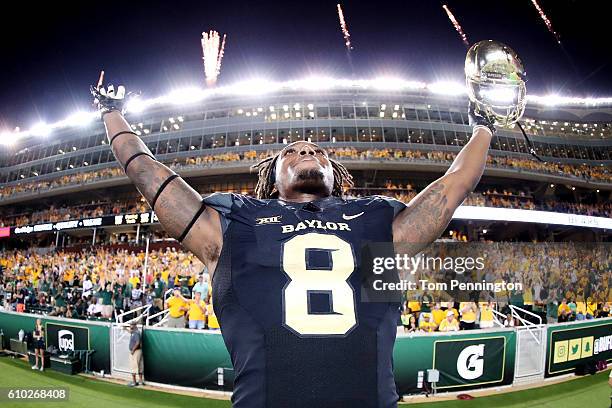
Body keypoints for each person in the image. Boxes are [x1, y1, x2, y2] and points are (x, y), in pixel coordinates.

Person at [93, 77, 497, 407]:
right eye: (291, 152)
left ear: (336, 174)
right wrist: (112, 115)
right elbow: (150, 176)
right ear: (271, 178)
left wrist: (484, 125)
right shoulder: (235, 221)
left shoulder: (376, 220)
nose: (306, 150)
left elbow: (454, 186)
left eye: (318, 151)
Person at [127, 321, 144, 387]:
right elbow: (131, 332)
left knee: (134, 366)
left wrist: (133, 350)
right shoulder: (135, 332)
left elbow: (137, 342)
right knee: (139, 366)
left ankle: (134, 382)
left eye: (131, 325)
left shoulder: (136, 333)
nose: (130, 326)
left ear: (134, 325)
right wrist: (125, 329)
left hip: (136, 351)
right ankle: (140, 381)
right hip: (138, 351)